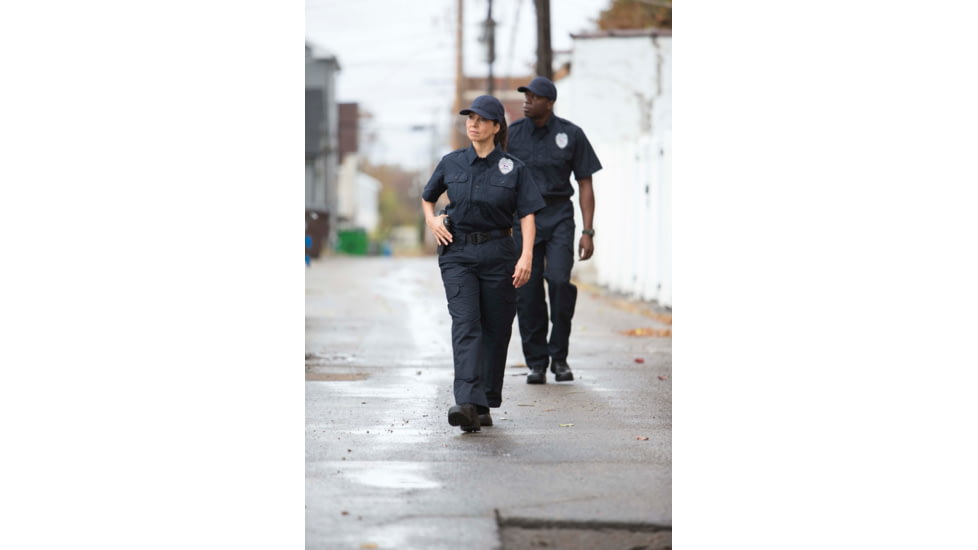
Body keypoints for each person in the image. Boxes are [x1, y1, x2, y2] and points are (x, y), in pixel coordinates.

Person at [422, 95, 546, 433]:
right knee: (466, 324)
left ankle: (484, 400)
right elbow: (428, 197)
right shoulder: (451, 163)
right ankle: (465, 401)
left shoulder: (513, 168)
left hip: (499, 254)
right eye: (469, 119)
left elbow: (528, 215)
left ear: (496, 126)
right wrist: (432, 221)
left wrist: (526, 256)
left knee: (496, 329)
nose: (473, 124)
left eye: (481, 119)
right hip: (458, 254)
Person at [508, 76, 603, 385]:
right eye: (525, 96)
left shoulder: (571, 134)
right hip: (525, 220)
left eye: (533, 97)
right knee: (528, 291)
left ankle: (559, 357)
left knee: (559, 282)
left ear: (549, 103)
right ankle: (536, 362)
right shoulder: (512, 135)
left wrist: (588, 231)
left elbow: (585, 182)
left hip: (560, 215)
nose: (526, 101)